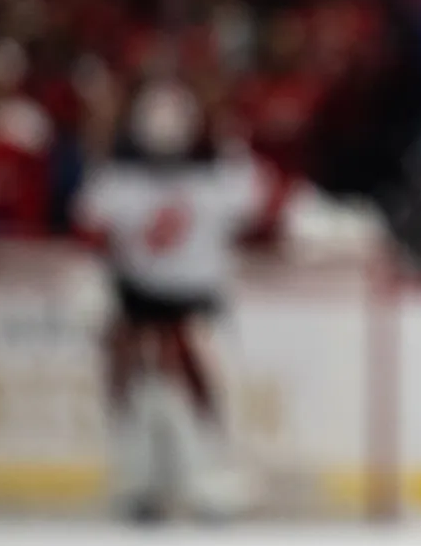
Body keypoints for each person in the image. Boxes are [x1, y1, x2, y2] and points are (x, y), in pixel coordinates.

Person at [73, 77, 275, 523]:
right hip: (142, 311)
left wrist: (228, 139)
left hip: (192, 312)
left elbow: (89, 222)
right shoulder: (190, 181)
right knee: (146, 406)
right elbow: (90, 235)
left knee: (194, 405)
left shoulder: (133, 181)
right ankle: (145, 484)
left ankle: (200, 484)